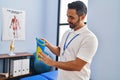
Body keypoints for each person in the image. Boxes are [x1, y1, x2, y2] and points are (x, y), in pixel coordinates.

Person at [39, 1, 98, 80]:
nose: (68, 20)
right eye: (67, 16)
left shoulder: (90, 38)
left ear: (82, 17)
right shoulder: (67, 33)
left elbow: (77, 65)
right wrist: (48, 45)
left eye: (71, 17)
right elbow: (60, 52)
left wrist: (52, 63)